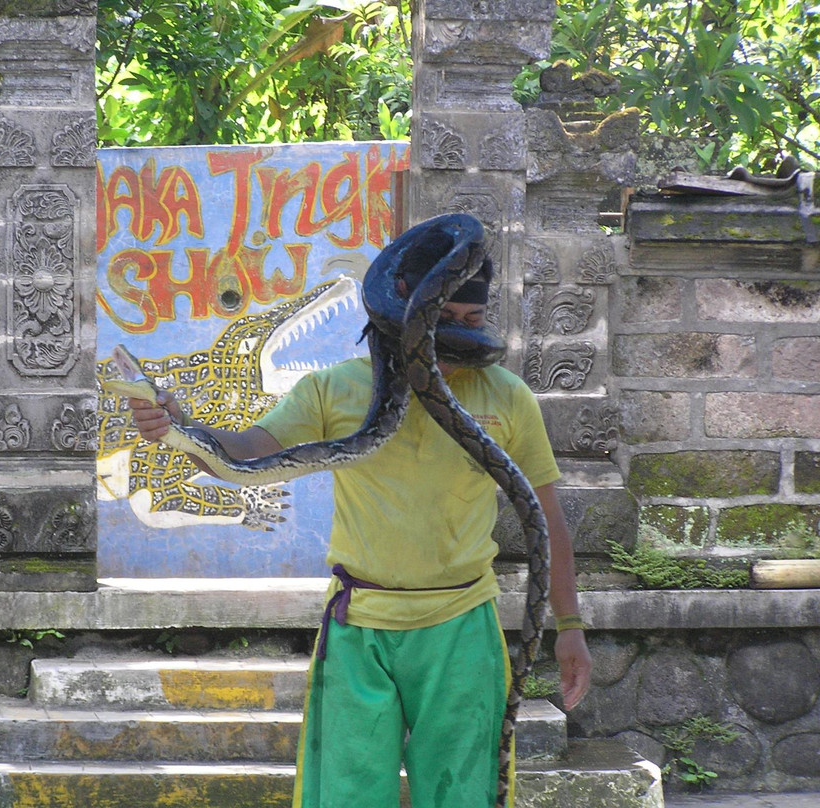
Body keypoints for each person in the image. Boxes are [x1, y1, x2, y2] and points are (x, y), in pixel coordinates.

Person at [126, 221, 592, 808]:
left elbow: (547, 518)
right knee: (344, 796)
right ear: (409, 311)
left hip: (462, 624)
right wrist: (182, 432)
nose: (464, 341)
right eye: (448, 322)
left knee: (465, 795)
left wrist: (570, 627)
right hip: (360, 624)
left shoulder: (505, 395)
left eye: (476, 325)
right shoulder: (335, 389)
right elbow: (248, 456)